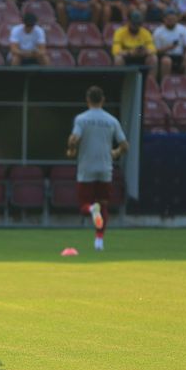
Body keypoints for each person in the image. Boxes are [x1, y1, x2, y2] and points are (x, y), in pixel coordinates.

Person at [66, 85, 128, 251]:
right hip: (105, 168)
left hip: (87, 168)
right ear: (103, 100)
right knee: (104, 205)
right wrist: (115, 153)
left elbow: (74, 139)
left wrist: (71, 148)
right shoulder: (111, 120)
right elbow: (124, 145)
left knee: (84, 205)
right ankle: (99, 241)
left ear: (88, 100)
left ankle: (92, 209)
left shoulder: (81, 119)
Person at [152, 8, 186, 80]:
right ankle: (164, 85)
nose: (171, 21)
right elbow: (155, 50)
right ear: (164, 19)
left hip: (179, 57)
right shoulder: (158, 31)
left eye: (173, 19)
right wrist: (168, 47)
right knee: (166, 61)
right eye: (169, 19)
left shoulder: (183, 29)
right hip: (164, 56)